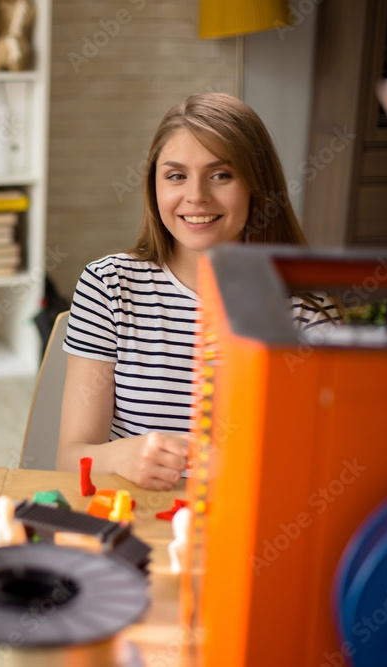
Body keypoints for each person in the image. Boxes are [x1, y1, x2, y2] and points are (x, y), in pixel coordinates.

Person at [55, 92, 334, 490]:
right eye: (176, 175)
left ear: (257, 185)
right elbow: (69, 459)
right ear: (154, 186)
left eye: (221, 175)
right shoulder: (109, 286)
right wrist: (120, 456)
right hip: (133, 527)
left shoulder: (306, 314)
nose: (196, 195)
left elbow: (315, 471)